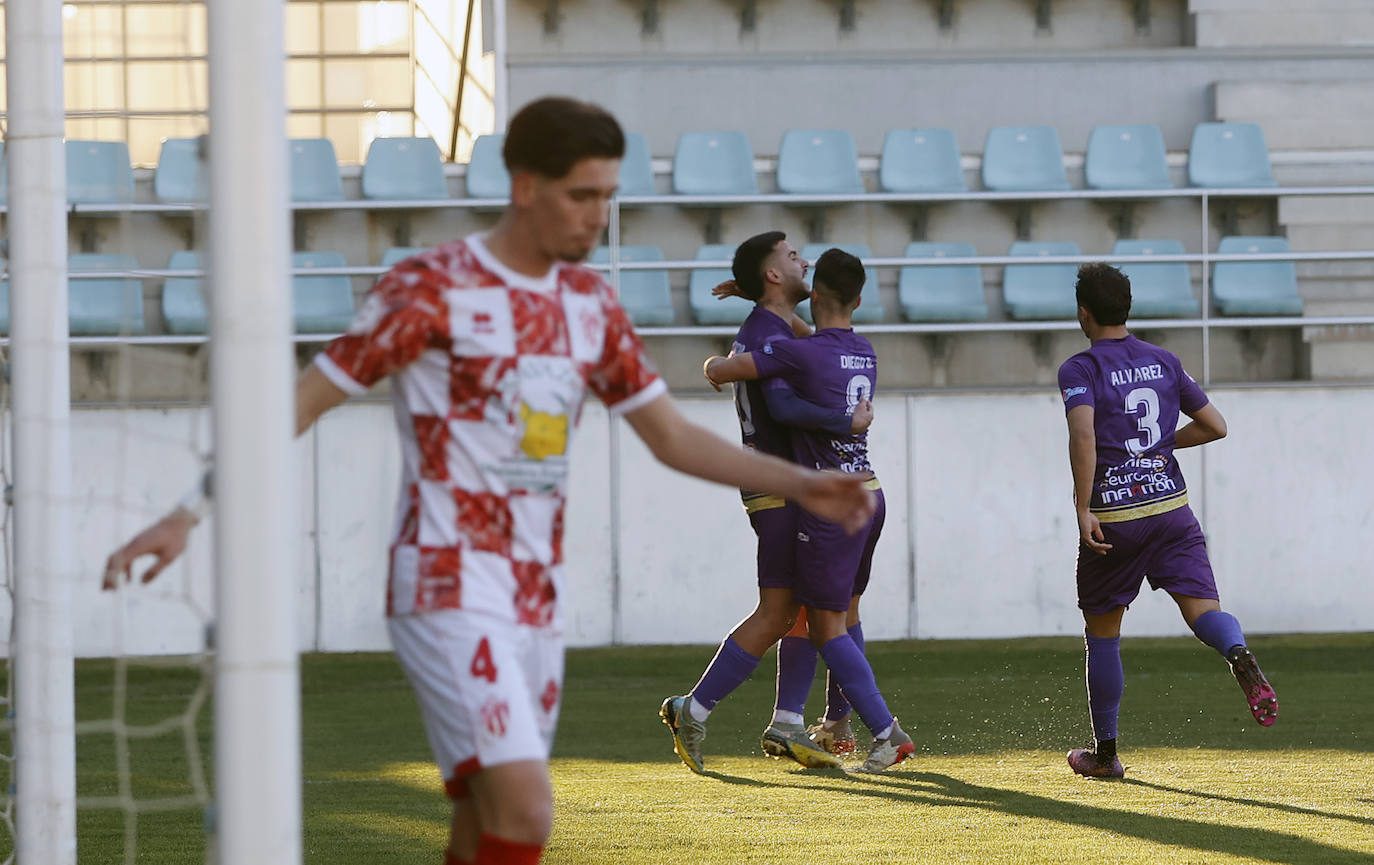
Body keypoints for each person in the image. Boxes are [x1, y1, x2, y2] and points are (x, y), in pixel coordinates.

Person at [101, 97, 875, 865]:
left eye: (607, 197)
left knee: (484, 822)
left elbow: (670, 436)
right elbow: (298, 404)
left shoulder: (588, 307)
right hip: (444, 582)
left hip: (533, 597)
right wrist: (186, 513)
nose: (596, 217)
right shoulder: (431, 286)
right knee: (527, 808)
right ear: (524, 185)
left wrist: (802, 484)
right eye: (581, 195)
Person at [660, 232, 872, 774]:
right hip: (775, 488)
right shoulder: (767, 332)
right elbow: (779, 402)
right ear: (776, 276)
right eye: (792, 257)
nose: (805, 261)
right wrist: (843, 420)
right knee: (781, 611)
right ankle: (698, 707)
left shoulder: (775, 326)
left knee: (801, 608)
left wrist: (752, 296)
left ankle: (786, 722)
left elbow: (811, 338)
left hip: (784, 486)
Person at [1056, 262, 1278, 780]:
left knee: (1103, 631)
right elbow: (1215, 426)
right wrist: (1162, 445)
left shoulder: (1080, 369)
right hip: (1171, 508)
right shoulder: (1163, 360)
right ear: (1127, 307)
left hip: (1117, 514)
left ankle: (1106, 755)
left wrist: (1083, 506)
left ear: (1083, 312)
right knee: (1204, 611)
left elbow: (1084, 437)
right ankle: (1237, 652)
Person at [700, 248, 914, 774]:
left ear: (815, 293)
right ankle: (834, 723)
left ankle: (887, 733)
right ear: (859, 300)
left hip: (827, 498)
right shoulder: (863, 351)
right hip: (871, 492)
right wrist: (758, 294)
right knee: (845, 613)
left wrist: (713, 365)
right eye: (790, 254)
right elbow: (804, 333)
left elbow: (746, 381)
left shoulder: (799, 353)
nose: (799, 259)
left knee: (822, 626)